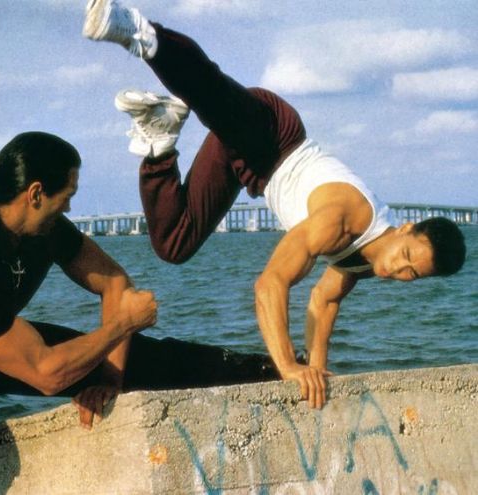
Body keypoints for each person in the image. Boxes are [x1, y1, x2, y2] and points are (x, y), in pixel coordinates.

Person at [82, 0, 467, 410]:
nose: (396, 270)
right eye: (405, 256)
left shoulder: (367, 260)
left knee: (173, 244)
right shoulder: (343, 221)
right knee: (211, 95)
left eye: (411, 274)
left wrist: (316, 370)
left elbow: (325, 300)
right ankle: (142, 33)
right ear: (405, 229)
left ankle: (160, 140)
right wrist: (288, 366)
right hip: (274, 135)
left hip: (253, 172)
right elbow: (270, 283)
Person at [0, 131, 279, 487]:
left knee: (139, 360)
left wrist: (111, 379)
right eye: (67, 197)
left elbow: (113, 283)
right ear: (35, 194)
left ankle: (269, 370)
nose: (69, 209)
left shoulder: (45, 229)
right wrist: (122, 326)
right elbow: (48, 374)